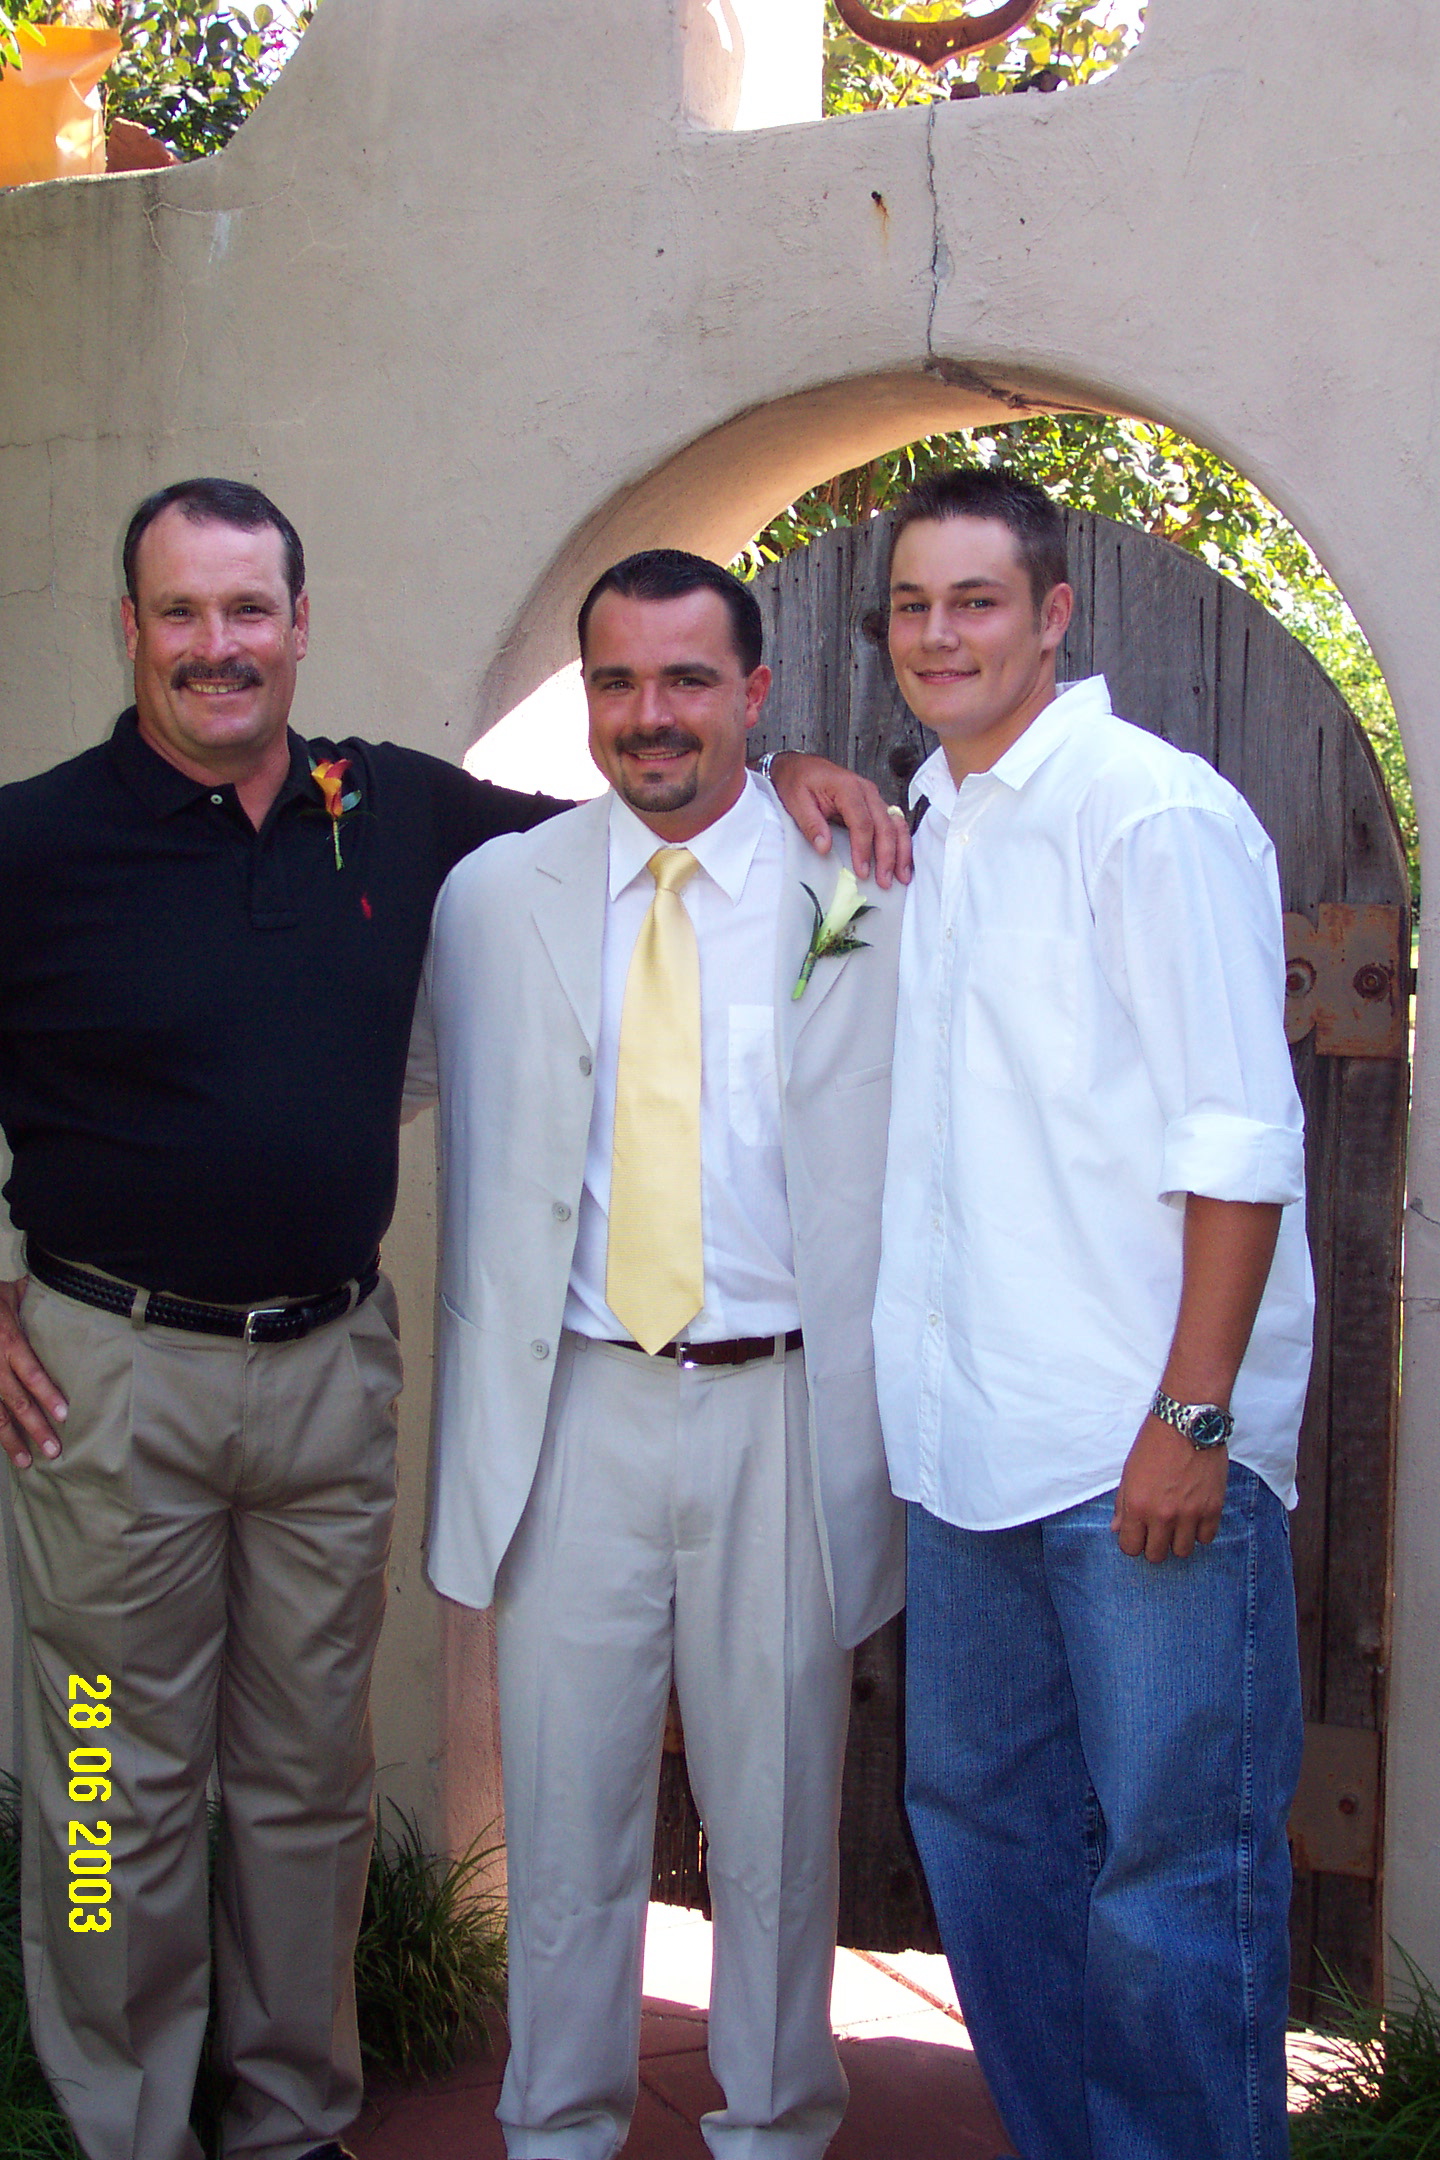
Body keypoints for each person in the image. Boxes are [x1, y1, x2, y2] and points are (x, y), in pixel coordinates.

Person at [0, 478, 906, 2160]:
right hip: (109, 1387)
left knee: (306, 1784)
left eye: (248, 611)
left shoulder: (406, 820)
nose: (218, 646)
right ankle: (127, 2126)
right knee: (106, 1783)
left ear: (297, 624)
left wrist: (791, 784)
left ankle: (288, 2119)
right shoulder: (33, 843)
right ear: (128, 628)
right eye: (181, 614)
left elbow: (651, 814)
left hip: (331, 1383)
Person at [405, 548, 908, 2160]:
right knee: (564, 1813)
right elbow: (356, 1080)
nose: (650, 716)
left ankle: (773, 2124)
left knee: (775, 1818)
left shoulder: (861, 885)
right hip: (576, 1403)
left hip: (783, 1402)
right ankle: (558, 2124)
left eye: (688, 679)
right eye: (617, 681)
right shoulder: (495, 896)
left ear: (757, 696)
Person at [872, 468, 1314, 2160]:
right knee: (976, 1824)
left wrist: (1192, 1416)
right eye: (914, 605)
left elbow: (1238, 1135)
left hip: (1138, 1452)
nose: (940, 633)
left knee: (1172, 1874)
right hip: (969, 1445)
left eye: (976, 600)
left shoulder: (1152, 812)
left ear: (1053, 616)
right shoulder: (944, 812)